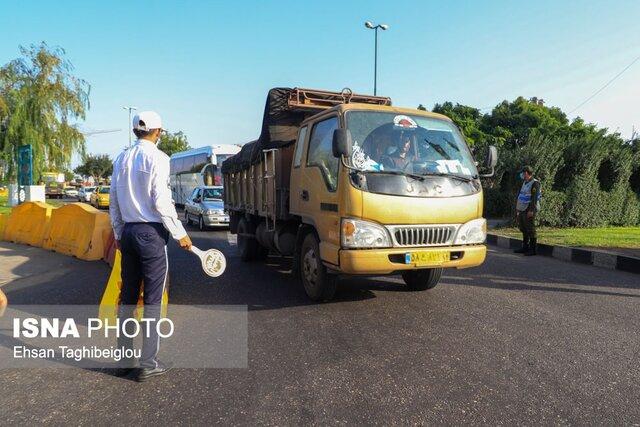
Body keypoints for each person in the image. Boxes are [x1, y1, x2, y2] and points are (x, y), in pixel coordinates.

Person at [109, 111, 192, 382]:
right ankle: (148, 363)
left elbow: (114, 201)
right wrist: (179, 233)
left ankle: (123, 362)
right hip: (151, 234)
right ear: (157, 132)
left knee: (128, 298)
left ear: (136, 132)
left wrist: (120, 233)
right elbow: (161, 201)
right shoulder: (159, 158)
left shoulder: (121, 158)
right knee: (153, 301)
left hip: (129, 232)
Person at [514, 165, 541, 256]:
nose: (521, 175)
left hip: (529, 209)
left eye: (522, 173)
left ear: (526, 173)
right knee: (523, 228)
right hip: (522, 208)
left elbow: (534, 198)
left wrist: (531, 210)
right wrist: (518, 209)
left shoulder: (535, 183)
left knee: (530, 229)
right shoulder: (525, 182)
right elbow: (521, 196)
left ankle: (533, 249)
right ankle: (525, 247)